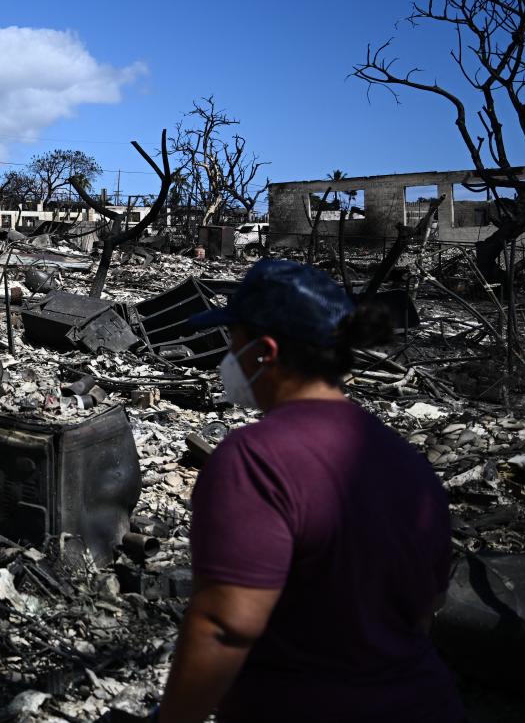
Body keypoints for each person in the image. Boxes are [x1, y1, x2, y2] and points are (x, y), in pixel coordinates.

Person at [156, 259, 460, 723]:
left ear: (265, 352)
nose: (228, 358)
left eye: (233, 342)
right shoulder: (408, 463)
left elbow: (223, 627)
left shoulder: (255, 460)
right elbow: (424, 611)